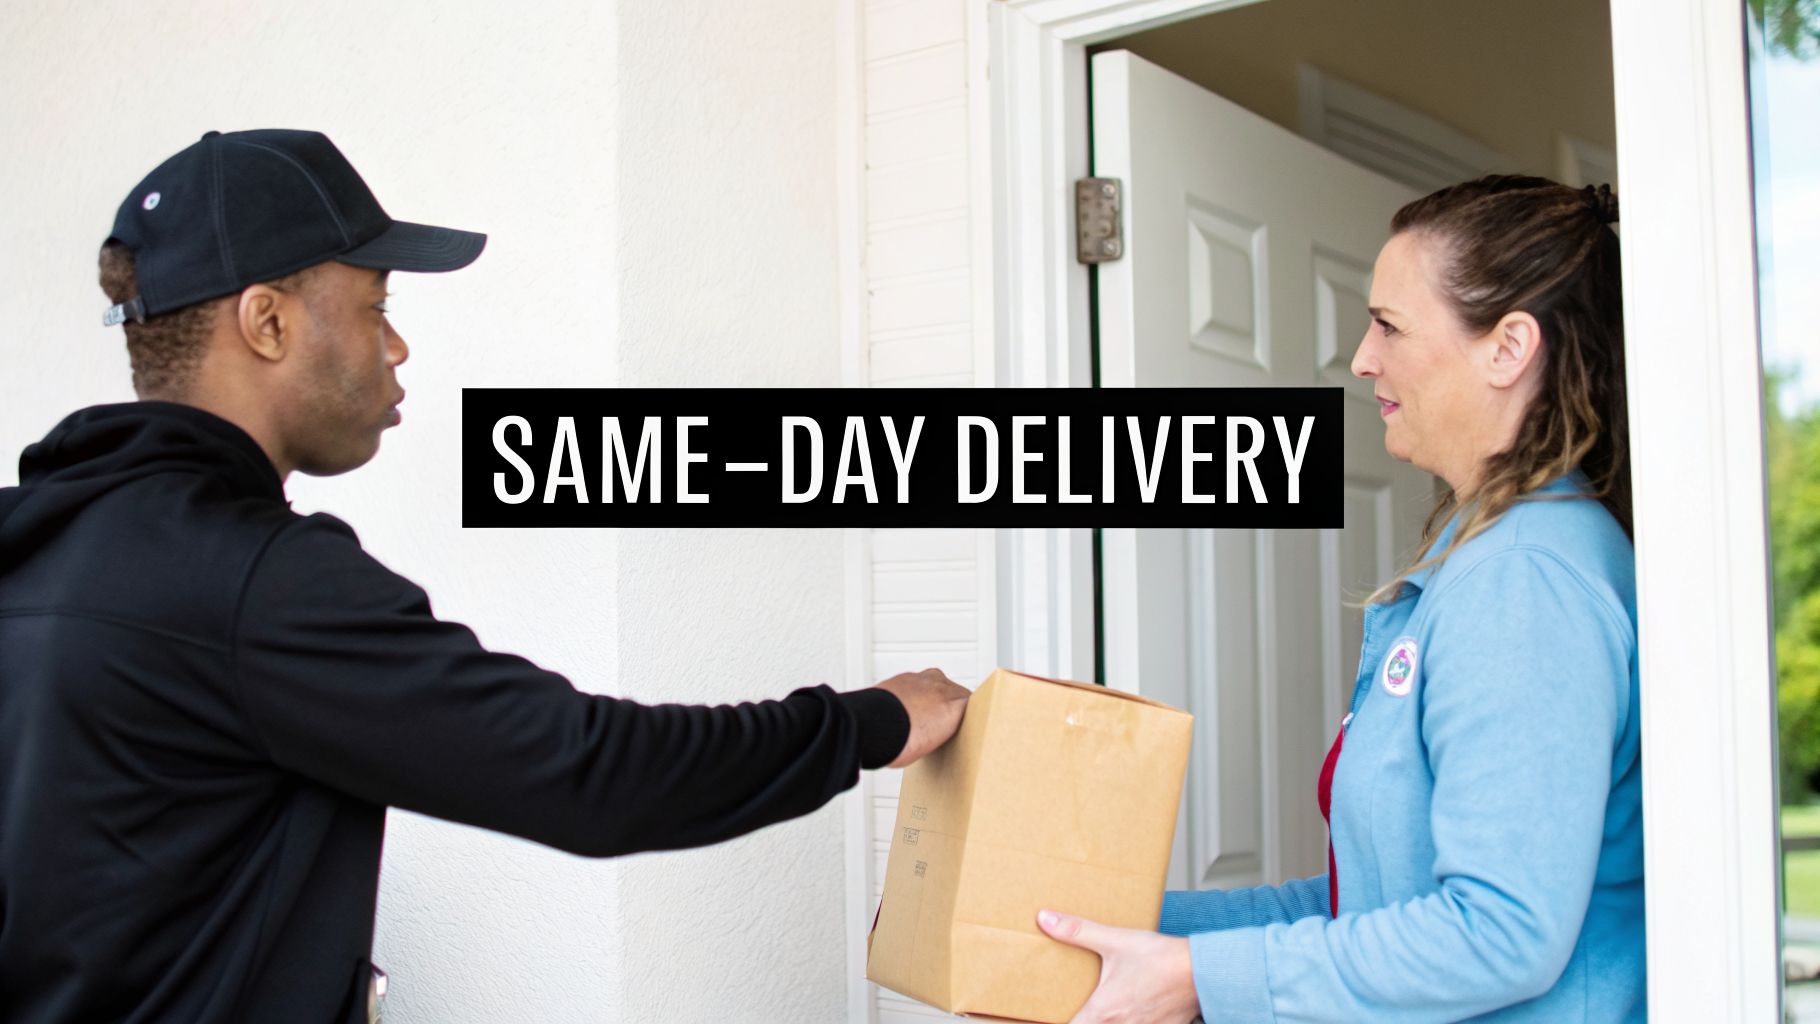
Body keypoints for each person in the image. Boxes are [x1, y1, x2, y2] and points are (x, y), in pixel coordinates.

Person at [0, 129, 971, 1023]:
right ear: (266, 321)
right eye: (376, 305)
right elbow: (593, 774)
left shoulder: (32, 540)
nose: (396, 344)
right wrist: (869, 721)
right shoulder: (255, 580)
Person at [1036, 175, 1642, 1022]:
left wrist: (1197, 978)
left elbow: (1500, 934)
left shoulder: (1525, 582)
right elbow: (1367, 911)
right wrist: (1104, 933)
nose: (1362, 357)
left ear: (1508, 348)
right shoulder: (1484, 560)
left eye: (1389, 325)